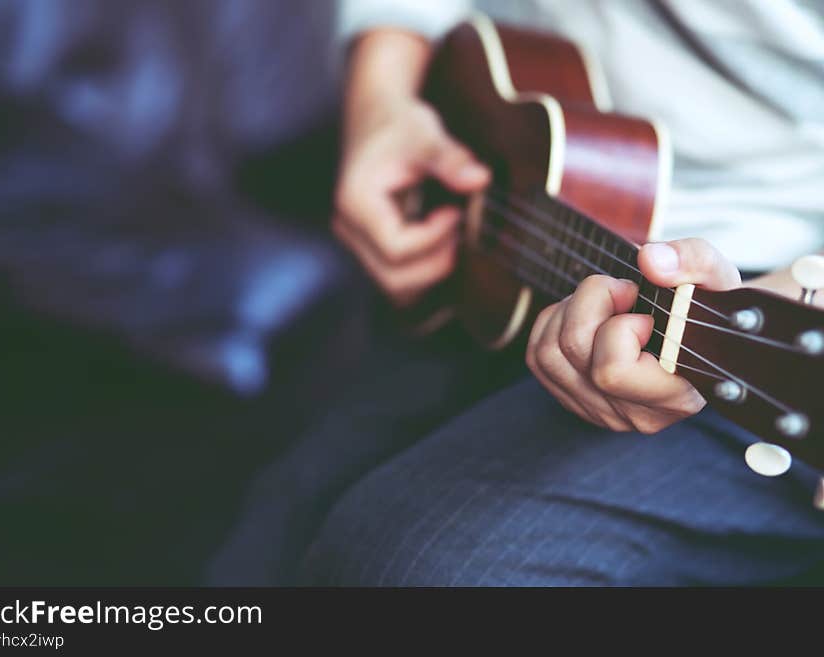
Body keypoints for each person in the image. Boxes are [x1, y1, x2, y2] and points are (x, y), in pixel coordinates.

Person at [210, 0, 824, 585]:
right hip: (489, 133)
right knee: (268, 535)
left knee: (417, 569)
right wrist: (382, 96)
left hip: (761, 298)